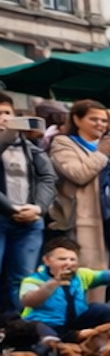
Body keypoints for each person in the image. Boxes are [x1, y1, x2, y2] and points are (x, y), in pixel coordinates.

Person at [46, 99, 110, 273]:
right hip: (79, 218)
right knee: (82, 270)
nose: (100, 124)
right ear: (76, 119)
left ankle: (99, 302)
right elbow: (78, 174)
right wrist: (101, 154)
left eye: (104, 120)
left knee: (105, 272)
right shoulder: (63, 143)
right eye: (94, 119)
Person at [0, 108, 54, 313]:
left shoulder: (30, 147)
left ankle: (21, 328)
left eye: (7, 112)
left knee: (23, 280)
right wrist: (10, 208)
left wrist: (39, 208)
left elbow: (48, 178)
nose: (5, 117)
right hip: (4, 216)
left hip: (30, 221)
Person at [19, 239, 110, 337]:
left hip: (75, 321)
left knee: (103, 309)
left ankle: (95, 340)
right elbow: (28, 301)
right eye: (62, 259)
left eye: (72, 259)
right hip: (46, 324)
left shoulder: (82, 275)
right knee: (45, 335)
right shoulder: (33, 280)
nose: (68, 263)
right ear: (47, 260)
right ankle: (74, 337)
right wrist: (54, 282)